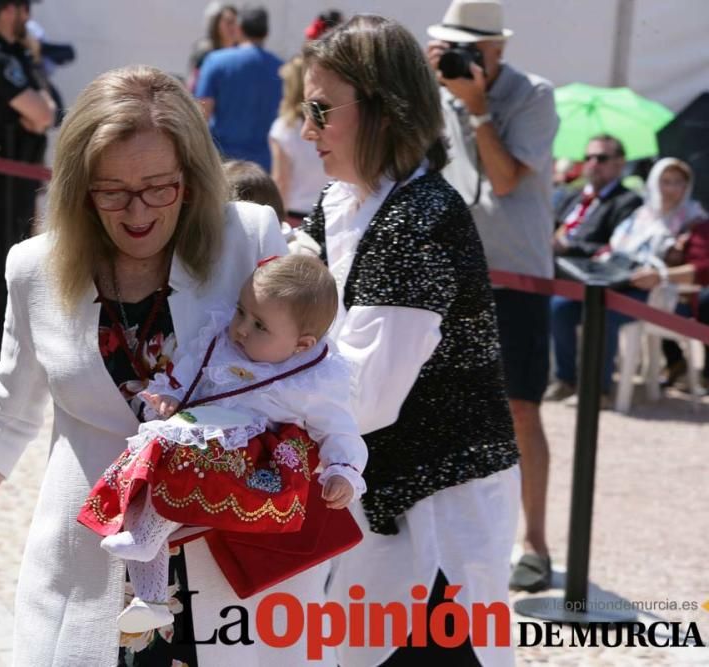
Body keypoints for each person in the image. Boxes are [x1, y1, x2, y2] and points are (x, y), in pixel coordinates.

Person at [0, 65, 345, 666]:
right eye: (112, 191)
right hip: (88, 568)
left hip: (234, 574)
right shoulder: (33, 269)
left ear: (192, 179)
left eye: (160, 186)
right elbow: (7, 410)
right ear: (79, 188)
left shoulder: (249, 237)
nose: (137, 211)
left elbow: (308, 364)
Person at [292, 15, 520, 665]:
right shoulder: (346, 201)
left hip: (437, 515)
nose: (307, 129)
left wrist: (263, 395)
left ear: (383, 110)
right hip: (378, 503)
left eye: (320, 110)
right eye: (303, 110)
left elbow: (368, 396)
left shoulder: (416, 223)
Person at [80, 255, 366, 633]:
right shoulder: (221, 338)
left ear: (302, 344)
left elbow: (341, 431)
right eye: (242, 312)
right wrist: (169, 394)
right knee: (143, 489)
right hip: (201, 439)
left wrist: (342, 470)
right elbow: (187, 369)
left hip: (254, 465)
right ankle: (149, 599)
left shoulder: (315, 381)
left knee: (170, 485)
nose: (242, 329)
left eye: (260, 325)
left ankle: (148, 540)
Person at [426, 0, 557, 594]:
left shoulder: (533, 94)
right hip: (456, 271)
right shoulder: (436, 93)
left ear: (498, 51)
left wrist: (478, 111)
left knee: (522, 408)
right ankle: (454, 539)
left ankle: (535, 543)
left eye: (472, 50)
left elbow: (505, 180)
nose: (463, 59)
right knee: (446, 404)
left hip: (516, 275)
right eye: (454, 48)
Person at [548, 157, 704, 403]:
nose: (671, 189)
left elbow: (702, 270)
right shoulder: (640, 215)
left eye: (678, 182)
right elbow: (615, 247)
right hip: (619, 282)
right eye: (665, 181)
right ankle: (567, 380)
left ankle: (598, 391)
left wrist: (661, 274)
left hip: (659, 295)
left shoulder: (695, 221)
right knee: (561, 307)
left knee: (603, 314)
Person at [0, 0, 55, 365]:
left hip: (19, 169)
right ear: (7, 10)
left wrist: (36, 116)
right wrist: (35, 116)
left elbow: (45, 113)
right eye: (24, 8)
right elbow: (41, 112)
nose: (28, 17)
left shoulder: (14, 54)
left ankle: (6, 345)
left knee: (17, 252)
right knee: (1, 256)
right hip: (3, 170)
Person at [195, 5, 283, 171]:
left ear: (239, 29)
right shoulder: (281, 67)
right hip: (265, 165)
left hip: (225, 162)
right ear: (266, 33)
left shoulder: (216, 61)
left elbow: (202, 113)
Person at [633, 218, 709, 388]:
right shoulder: (692, 222)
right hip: (667, 291)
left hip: (691, 297)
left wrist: (662, 275)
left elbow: (703, 270)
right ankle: (675, 362)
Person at [553, 134, 643, 258]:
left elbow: (616, 248)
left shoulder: (628, 201)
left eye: (601, 158)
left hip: (580, 271)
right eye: (588, 158)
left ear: (620, 163)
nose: (593, 163)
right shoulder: (573, 195)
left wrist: (568, 247)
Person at [268, 55, 328, 224]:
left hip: (295, 218)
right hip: (329, 213)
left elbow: (281, 183)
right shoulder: (329, 123)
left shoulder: (283, 129)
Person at [186, 2, 239, 92]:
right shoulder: (205, 50)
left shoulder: (241, 52)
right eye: (229, 22)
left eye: (235, 23)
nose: (233, 27)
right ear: (216, 24)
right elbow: (193, 84)